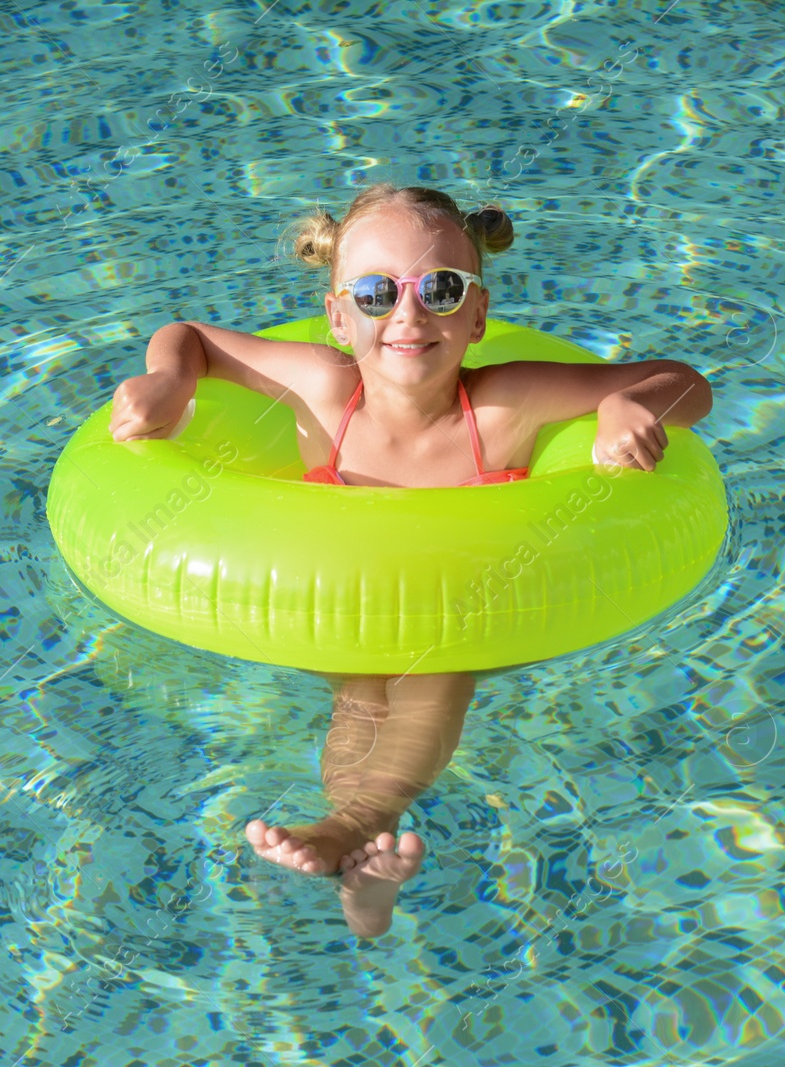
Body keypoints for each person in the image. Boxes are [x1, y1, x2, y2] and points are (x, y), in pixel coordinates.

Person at [106, 183, 714, 937]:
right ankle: (363, 875)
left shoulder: (505, 403)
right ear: (337, 316)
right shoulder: (323, 391)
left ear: (479, 314)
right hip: (346, 602)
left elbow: (687, 383)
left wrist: (632, 405)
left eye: (442, 289)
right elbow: (188, 333)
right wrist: (171, 379)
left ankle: (353, 827)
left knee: (434, 669)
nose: (409, 314)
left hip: (470, 610)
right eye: (374, 292)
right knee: (359, 690)